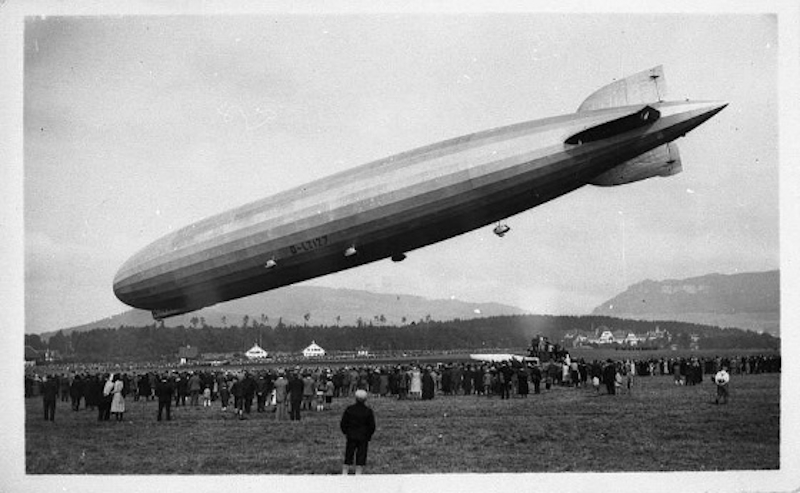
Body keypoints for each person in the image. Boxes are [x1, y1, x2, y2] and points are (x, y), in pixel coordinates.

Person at [340, 389, 376, 475]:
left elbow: (343, 423)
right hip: (363, 436)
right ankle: (358, 473)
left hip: (351, 436)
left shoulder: (349, 409)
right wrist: (368, 435)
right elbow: (372, 426)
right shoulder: (368, 411)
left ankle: (345, 472)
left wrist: (346, 432)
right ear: (365, 399)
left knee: (349, 454)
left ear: (355, 398)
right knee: (361, 455)